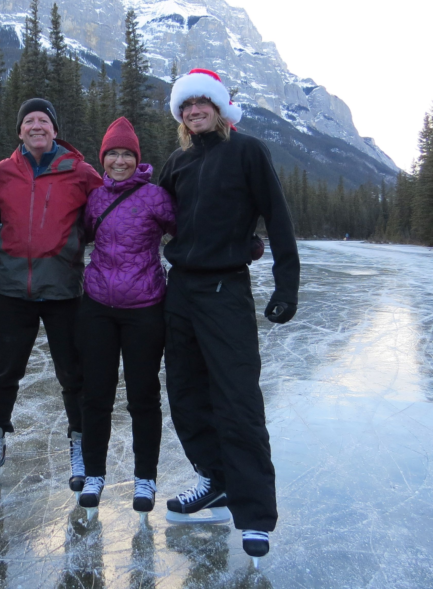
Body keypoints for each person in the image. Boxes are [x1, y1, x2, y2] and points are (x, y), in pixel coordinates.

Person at [158, 68, 299, 562]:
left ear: (219, 108)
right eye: (187, 106)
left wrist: (287, 285)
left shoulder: (247, 152)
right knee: (186, 394)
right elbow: (153, 219)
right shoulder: (176, 162)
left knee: (237, 401)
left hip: (225, 291)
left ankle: (255, 514)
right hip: (180, 293)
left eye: (203, 104)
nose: (195, 112)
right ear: (181, 115)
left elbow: (278, 219)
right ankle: (213, 479)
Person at [0, 99, 103, 494]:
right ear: (19, 131)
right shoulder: (3, 172)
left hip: (64, 291)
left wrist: (73, 243)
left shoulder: (80, 171)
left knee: (73, 374)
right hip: (13, 290)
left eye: (43, 119)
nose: (36, 125)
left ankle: (79, 444)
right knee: (5, 371)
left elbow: (105, 212)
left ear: (55, 129)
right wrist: (2, 241)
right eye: (28, 120)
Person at [73, 117, 175, 521]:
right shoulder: (96, 197)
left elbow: (186, 231)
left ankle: (145, 478)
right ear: (103, 158)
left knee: (143, 395)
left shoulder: (155, 197)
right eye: (112, 153)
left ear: (137, 158)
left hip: (145, 307)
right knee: (96, 394)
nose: (119, 160)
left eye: (126, 154)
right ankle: (94, 473)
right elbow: (78, 234)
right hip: (97, 305)